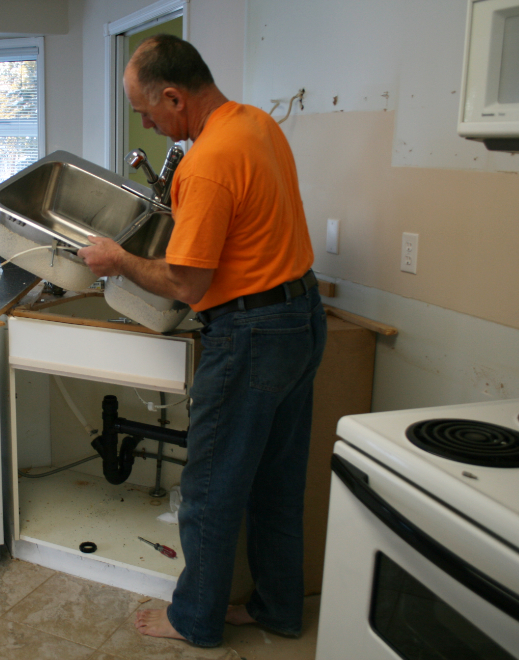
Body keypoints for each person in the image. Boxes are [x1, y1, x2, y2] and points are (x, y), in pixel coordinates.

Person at [77, 34, 327, 648]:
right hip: (301, 318)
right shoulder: (257, 124)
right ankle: (277, 608)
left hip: (251, 337)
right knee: (276, 484)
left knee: (211, 489)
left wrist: (116, 259)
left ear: (174, 96)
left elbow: (186, 282)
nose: (146, 123)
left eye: (145, 110)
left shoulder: (208, 161)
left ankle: (194, 619)